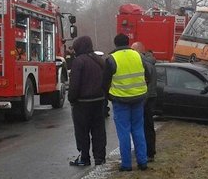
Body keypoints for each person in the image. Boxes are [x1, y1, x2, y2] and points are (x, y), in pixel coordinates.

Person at [103, 33, 148, 171]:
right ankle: (142, 162)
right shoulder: (138, 56)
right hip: (139, 98)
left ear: (115, 44)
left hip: (120, 100)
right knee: (138, 130)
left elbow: (105, 82)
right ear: (128, 42)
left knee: (124, 132)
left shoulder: (111, 59)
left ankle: (127, 164)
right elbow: (149, 74)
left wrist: (109, 96)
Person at [67, 35, 107, 167]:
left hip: (82, 103)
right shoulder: (99, 60)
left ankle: (84, 157)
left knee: (82, 131)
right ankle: (100, 157)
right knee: (98, 130)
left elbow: (74, 84)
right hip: (99, 100)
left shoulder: (79, 61)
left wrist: (72, 99)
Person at [131, 41, 157, 162]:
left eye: (133, 50)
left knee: (141, 126)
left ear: (138, 51)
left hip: (144, 97)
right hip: (150, 96)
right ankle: (150, 152)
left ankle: (144, 152)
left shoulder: (142, 62)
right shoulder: (150, 61)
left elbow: (146, 80)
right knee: (148, 126)